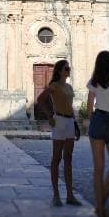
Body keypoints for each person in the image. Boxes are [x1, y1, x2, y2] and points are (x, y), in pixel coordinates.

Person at [36, 59, 82, 207]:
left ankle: (70, 195)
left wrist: (75, 124)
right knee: (56, 158)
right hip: (59, 121)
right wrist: (49, 116)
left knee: (68, 158)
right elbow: (40, 99)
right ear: (60, 71)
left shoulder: (69, 86)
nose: (69, 71)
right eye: (67, 69)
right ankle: (56, 195)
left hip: (69, 122)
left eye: (69, 68)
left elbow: (70, 105)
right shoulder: (54, 86)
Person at [87, 50, 109, 217]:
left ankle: (99, 207)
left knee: (98, 168)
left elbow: (89, 106)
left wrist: (92, 120)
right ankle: (101, 204)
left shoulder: (94, 80)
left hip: (98, 119)